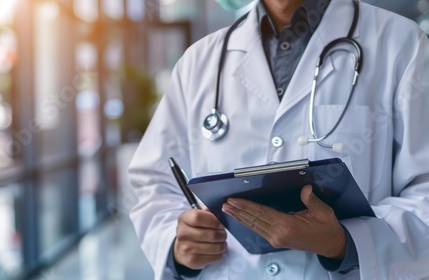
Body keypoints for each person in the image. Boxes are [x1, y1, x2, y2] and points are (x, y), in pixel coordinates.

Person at [129, 0, 429, 278]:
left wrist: (346, 243)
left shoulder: (401, 46)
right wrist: (177, 244)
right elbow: (155, 184)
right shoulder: (200, 61)